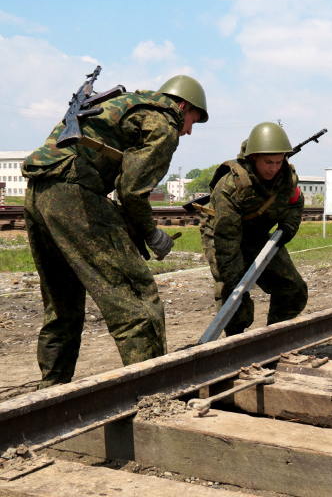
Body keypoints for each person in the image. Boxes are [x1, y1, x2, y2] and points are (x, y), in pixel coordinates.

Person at [22, 75, 208, 387]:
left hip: (38, 192)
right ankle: (152, 393)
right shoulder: (163, 122)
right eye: (192, 120)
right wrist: (151, 233)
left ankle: (50, 391)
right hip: (72, 191)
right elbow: (132, 191)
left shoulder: (124, 105)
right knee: (136, 298)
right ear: (183, 105)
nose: (188, 129)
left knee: (62, 304)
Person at [200, 122, 307, 336]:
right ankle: (237, 344)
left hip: (257, 235)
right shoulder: (230, 187)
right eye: (268, 162)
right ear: (253, 157)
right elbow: (226, 239)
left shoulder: (286, 179)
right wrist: (235, 281)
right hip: (224, 236)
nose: (274, 168)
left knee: (293, 289)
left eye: (279, 161)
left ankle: (274, 339)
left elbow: (296, 203)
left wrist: (288, 227)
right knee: (234, 295)